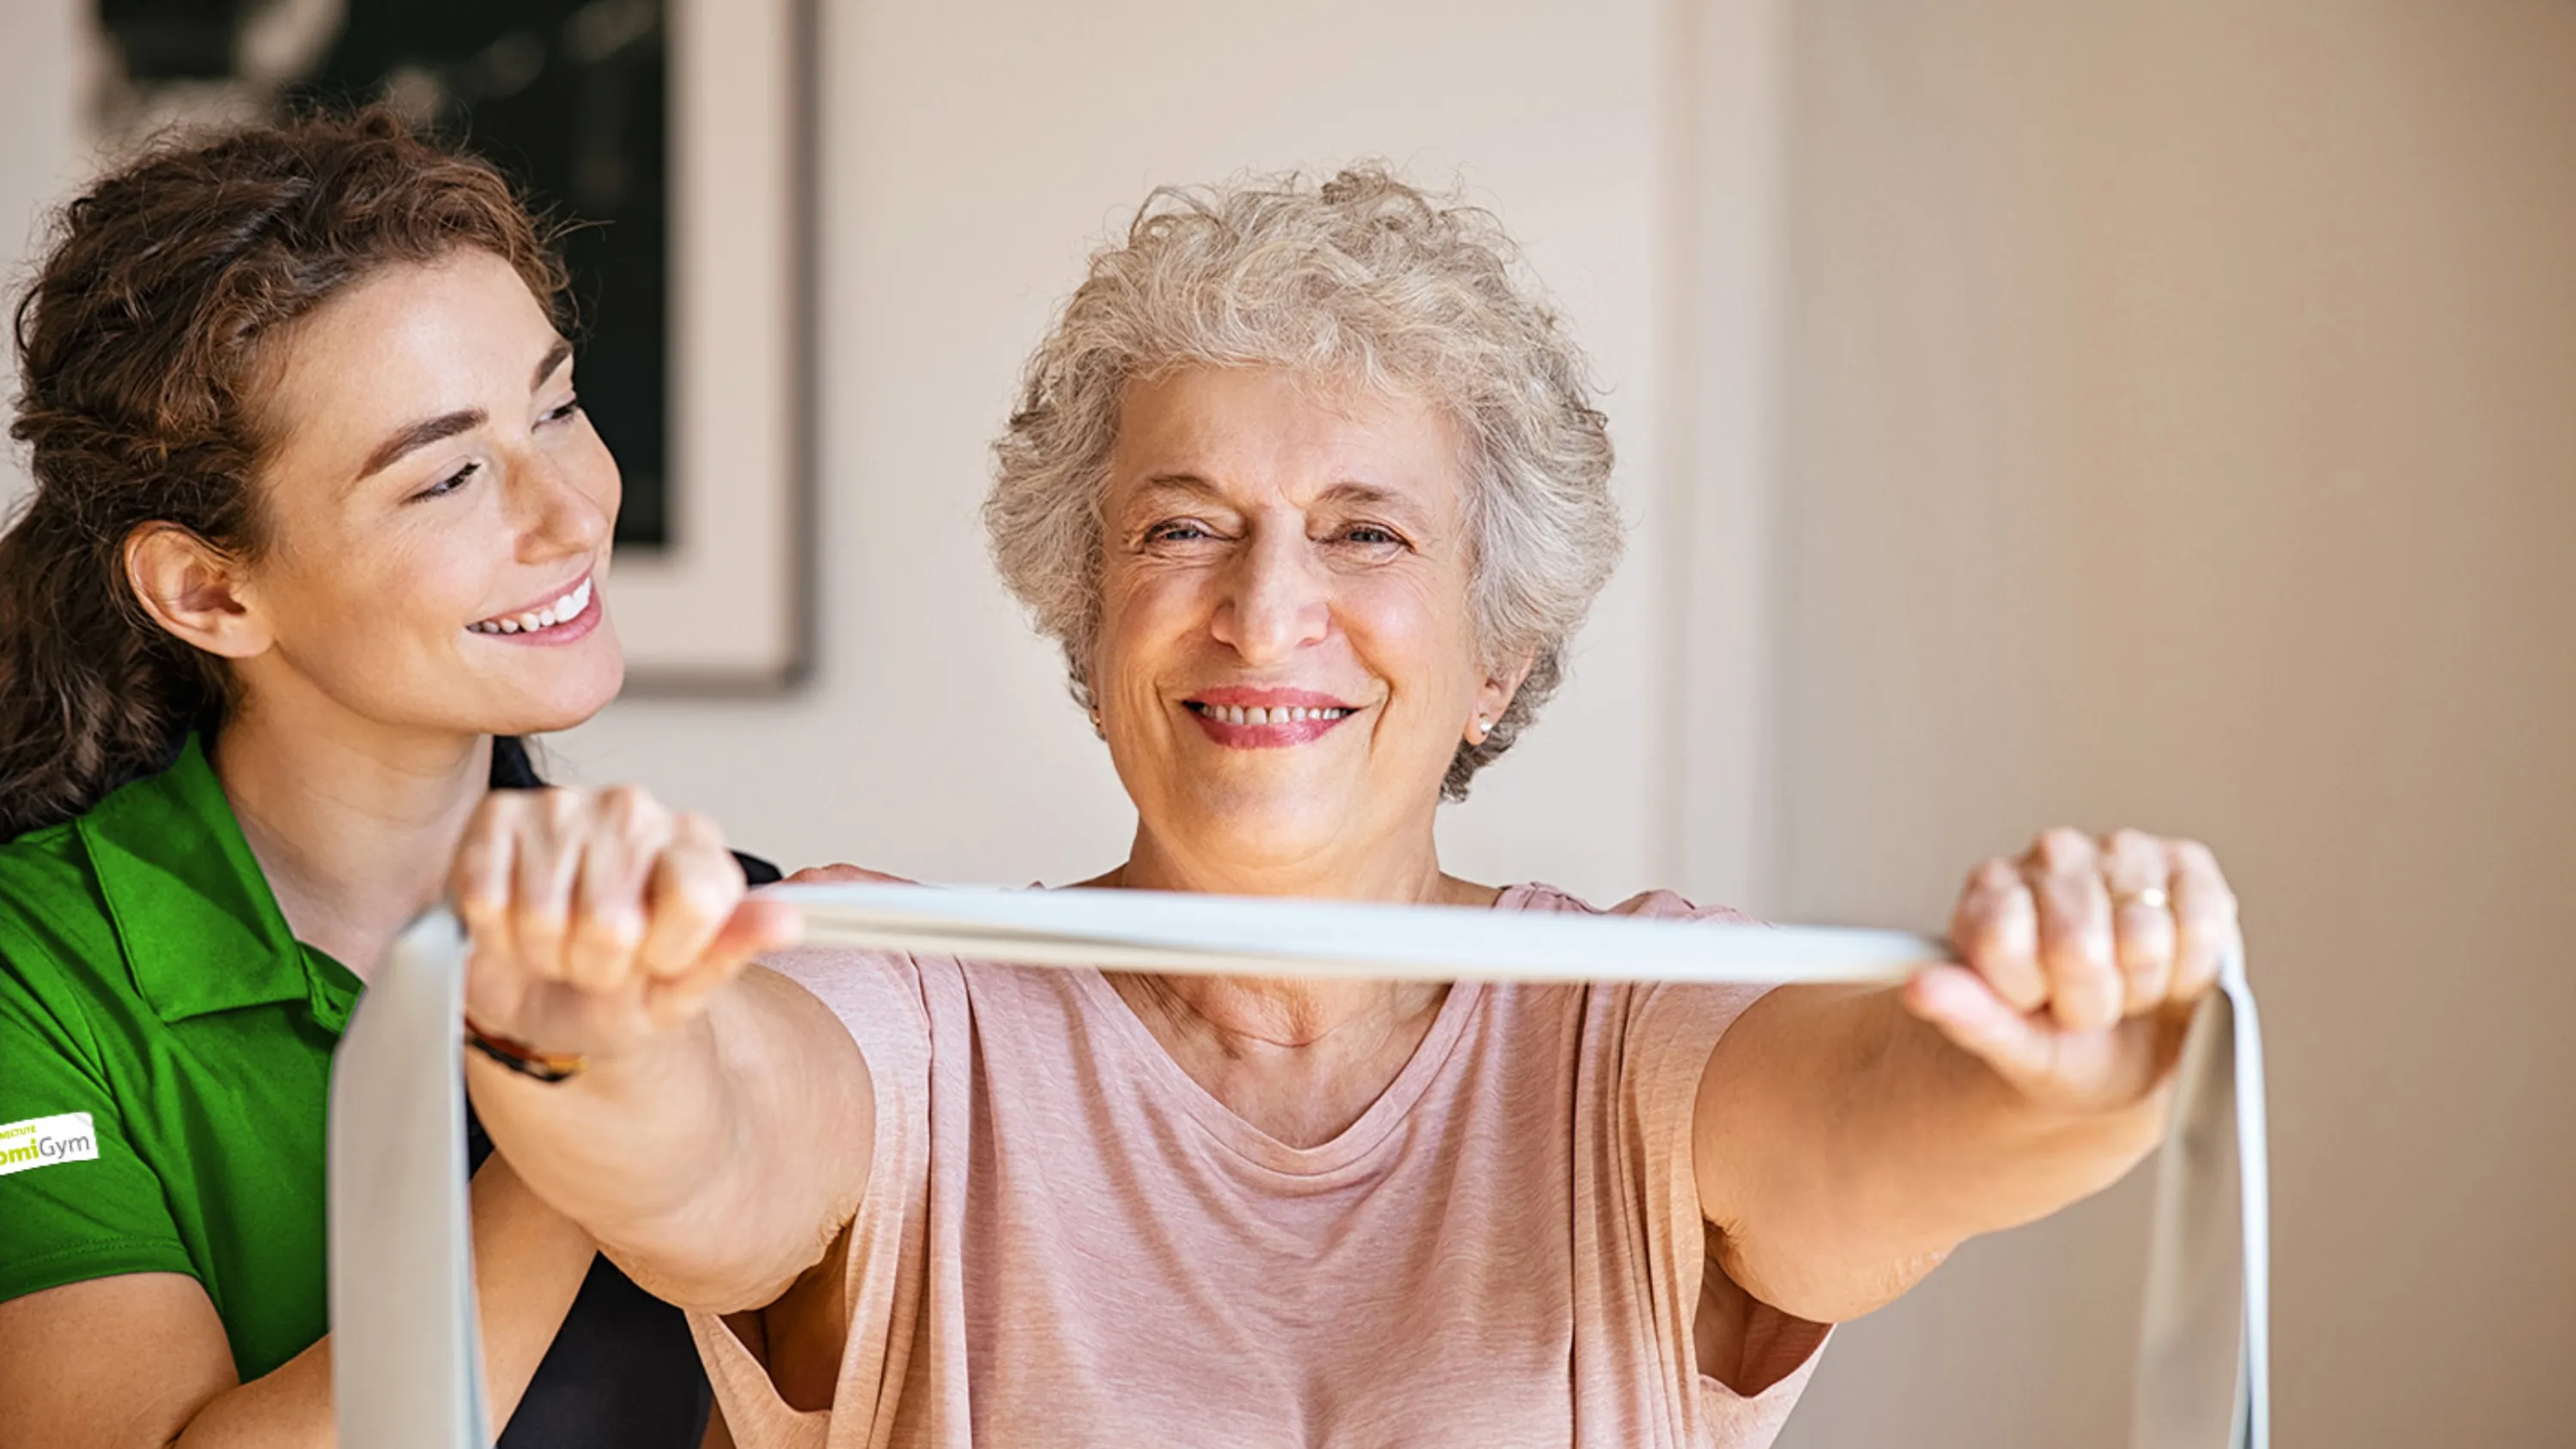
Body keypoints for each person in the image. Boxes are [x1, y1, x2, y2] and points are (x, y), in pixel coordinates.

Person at [456, 168, 2243, 1448]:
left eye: (1367, 533)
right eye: (1184, 527)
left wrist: (2069, 1059)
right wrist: (589, 1036)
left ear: (1497, 656)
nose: (1266, 611)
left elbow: (1896, 1129)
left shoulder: (1638, 1028)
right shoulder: (912, 1006)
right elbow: (707, 1151)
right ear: (1089, 620)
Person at [0, 110, 763, 1447]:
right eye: (450, 475)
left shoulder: (721, 930)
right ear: (207, 590)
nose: (572, 512)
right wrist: (596, 1095)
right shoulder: (35, 974)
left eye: (557, 407)